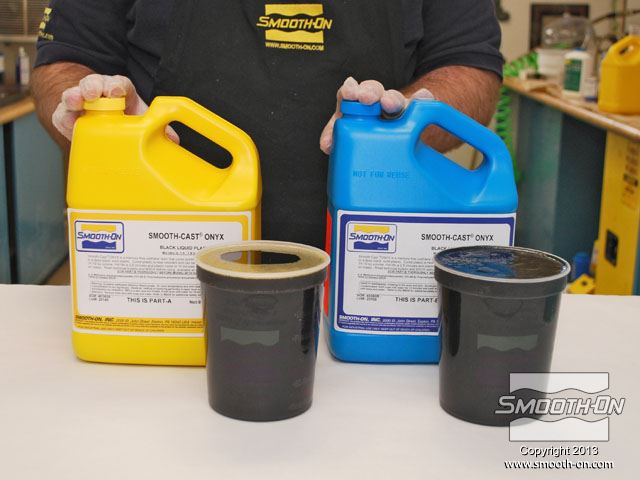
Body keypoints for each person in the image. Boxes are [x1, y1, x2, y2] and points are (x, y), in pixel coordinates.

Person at [32, 0, 504, 249]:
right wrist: (103, 119)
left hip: (372, 265)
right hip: (161, 261)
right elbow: (67, 59)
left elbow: (468, 66)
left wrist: (401, 122)